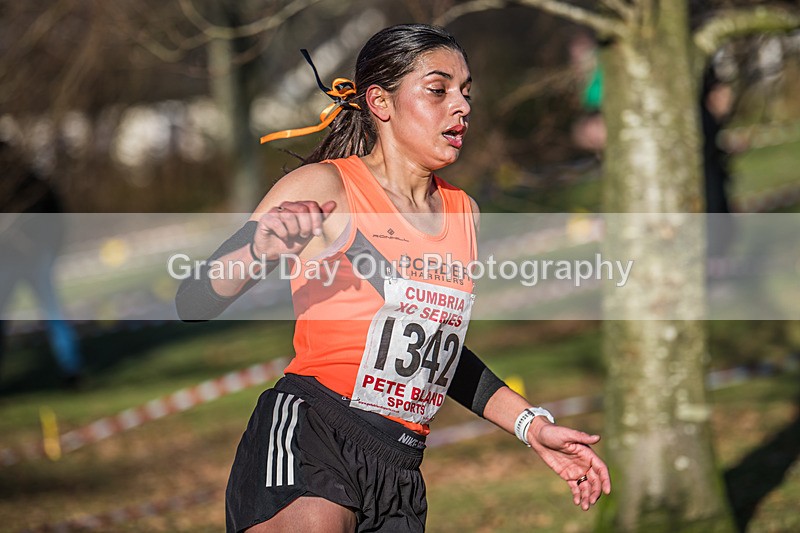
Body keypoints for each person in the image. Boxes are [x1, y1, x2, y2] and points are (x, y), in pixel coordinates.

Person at [176, 24, 611, 533]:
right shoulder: (326, 185)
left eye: (466, 92)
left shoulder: (461, 212)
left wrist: (528, 424)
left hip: (399, 469)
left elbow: (435, 350)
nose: (462, 106)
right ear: (381, 103)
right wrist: (257, 250)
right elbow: (194, 299)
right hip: (314, 432)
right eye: (438, 89)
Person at [0, 140, 83, 387]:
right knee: (53, 315)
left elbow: (56, 217)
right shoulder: (32, 180)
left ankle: (72, 369)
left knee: (53, 315)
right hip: (24, 260)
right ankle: (72, 370)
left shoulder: (28, 184)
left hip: (27, 260)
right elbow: (58, 217)